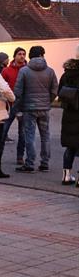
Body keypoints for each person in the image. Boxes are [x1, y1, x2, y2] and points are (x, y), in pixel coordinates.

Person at [14, 46, 58, 173]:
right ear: (42, 55)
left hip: (29, 109)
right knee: (45, 136)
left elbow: (18, 92)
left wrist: (19, 107)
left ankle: (30, 163)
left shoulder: (24, 71)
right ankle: (45, 163)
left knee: (30, 136)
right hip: (44, 109)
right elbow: (55, 90)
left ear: (30, 56)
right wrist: (47, 101)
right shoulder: (50, 71)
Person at [58, 45, 79, 186]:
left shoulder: (66, 73)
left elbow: (60, 92)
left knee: (70, 146)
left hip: (69, 113)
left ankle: (66, 175)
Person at [2, 47, 27, 164]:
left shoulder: (28, 69)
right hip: (10, 104)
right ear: (15, 56)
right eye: (19, 54)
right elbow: (2, 87)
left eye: (23, 54)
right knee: (3, 130)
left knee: (22, 133)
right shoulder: (7, 70)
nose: (22, 56)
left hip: (24, 105)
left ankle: (20, 157)